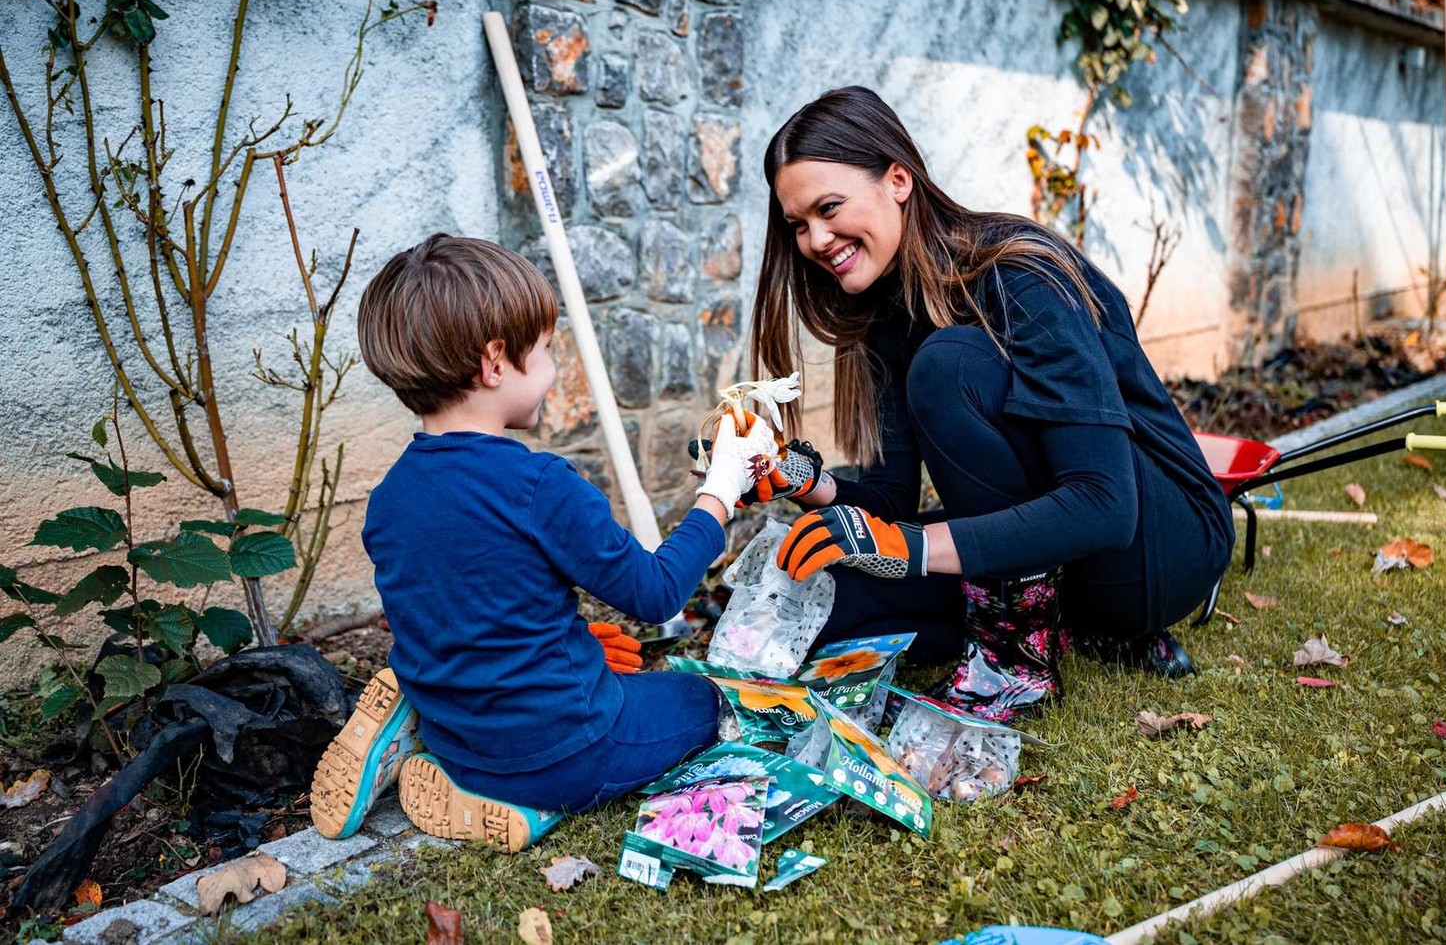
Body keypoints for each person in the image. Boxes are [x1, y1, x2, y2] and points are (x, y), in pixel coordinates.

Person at [739, 87, 1235, 723]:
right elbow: (889, 504)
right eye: (798, 225)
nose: (815, 238)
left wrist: (909, 551)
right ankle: (1046, 623)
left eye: (828, 208)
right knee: (824, 604)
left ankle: (1016, 660)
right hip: (1054, 556)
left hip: (1155, 550)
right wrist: (800, 481)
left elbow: (1105, 506)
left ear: (898, 179)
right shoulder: (887, 310)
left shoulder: (1018, 274)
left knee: (950, 365)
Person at [309, 233, 778, 848]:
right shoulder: (538, 485)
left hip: (464, 743)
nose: (556, 371)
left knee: (578, 685)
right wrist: (719, 491)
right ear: (496, 361)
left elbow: (480, 608)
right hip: (568, 748)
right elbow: (657, 593)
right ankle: (542, 803)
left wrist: (574, 645)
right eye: (548, 350)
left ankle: (446, 747)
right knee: (696, 698)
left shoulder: (390, 498)